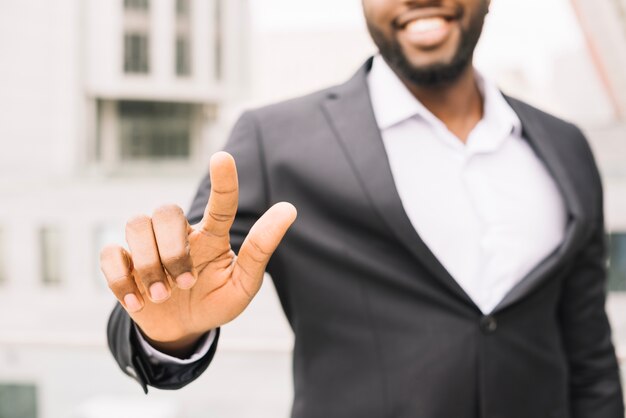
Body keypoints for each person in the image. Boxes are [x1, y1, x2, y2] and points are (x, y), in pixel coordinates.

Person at [101, 0, 625, 416]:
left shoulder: (565, 147)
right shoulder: (273, 141)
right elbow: (180, 286)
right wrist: (170, 329)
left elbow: (590, 356)